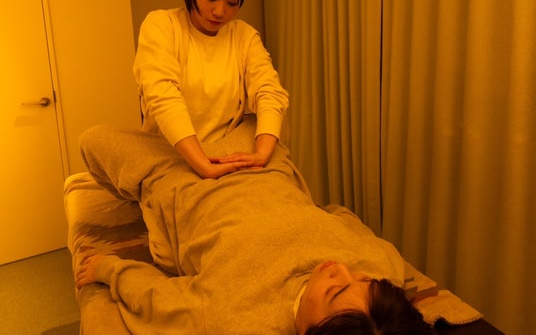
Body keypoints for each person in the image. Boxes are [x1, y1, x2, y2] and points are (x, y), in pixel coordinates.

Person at [76, 119, 433, 335]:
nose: (340, 269)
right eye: (360, 278)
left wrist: (107, 269)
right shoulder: (385, 279)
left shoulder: (233, 319)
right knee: (270, 111)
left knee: (92, 140)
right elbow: (341, 215)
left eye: (334, 290)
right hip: (261, 161)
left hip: (184, 176)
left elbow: (154, 300)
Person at [133, 0, 289, 180]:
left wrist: (261, 155)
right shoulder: (162, 26)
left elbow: (270, 92)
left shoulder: (244, 36)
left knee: (274, 155)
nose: (219, 11)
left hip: (226, 151)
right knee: (95, 138)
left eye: (232, 2)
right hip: (173, 155)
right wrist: (203, 166)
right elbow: (163, 96)